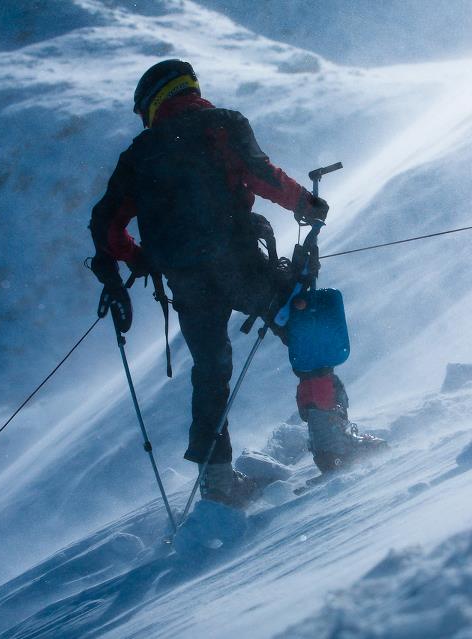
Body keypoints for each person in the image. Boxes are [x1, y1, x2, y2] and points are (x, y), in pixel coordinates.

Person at [88, 60, 384, 508]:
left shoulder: (138, 155)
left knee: (210, 371)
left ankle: (220, 486)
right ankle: (331, 438)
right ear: (189, 89)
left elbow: (106, 226)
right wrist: (306, 204)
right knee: (305, 324)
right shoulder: (221, 125)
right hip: (240, 265)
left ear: (153, 104)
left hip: (186, 282)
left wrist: (139, 258)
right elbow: (260, 173)